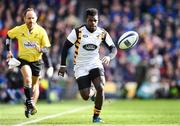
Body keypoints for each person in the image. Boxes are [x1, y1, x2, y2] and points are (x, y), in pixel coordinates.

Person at [58, 8, 117, 123]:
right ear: (87, 20)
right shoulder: (78, 31)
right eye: (91, 20)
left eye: (95, 20)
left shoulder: (102, 33)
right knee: (85, 96)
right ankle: (92, 92)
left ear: (98, 20)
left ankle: (96, 116)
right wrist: (63, 65)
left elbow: (113, 48)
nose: (93, 23)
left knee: (101, 87)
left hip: (95, 63)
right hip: (80, 66)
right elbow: (65, 47)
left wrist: (109, 56)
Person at [5, 8, 53, 118]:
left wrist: (40, 49)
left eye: (32, 18)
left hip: (37, 61)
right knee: (27, 79)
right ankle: (29, 102)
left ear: (36, 19)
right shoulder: (18, 29)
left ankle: (30, 106)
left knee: (35, 86)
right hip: (23, 60)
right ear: (24, 19)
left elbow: (47, 49)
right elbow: (8, 36)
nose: (31, 20)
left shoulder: (41, 31)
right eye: (28, 18)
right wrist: (9, 51)